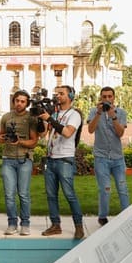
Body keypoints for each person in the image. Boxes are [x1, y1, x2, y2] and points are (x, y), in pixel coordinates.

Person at [37, 85, 85, 239]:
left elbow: (67, 132)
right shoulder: (55, 114)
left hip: (64, 159)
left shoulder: (74, 115)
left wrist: (50, 119)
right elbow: (43, 134)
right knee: (51, 195)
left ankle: (79, 226)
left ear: (70, 96)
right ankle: (55, 225)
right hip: (51, 158)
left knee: (69, 194)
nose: (58, 96)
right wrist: (40, 119)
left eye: (61, 93)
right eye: (57, 93)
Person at [0, 90, 38, 235]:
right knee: (9, 194)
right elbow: (0, 137)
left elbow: (34, 142)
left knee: (23, 194)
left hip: (24, 159)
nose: (19, 103)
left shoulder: (31, 118)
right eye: (17, 101)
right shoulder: (6, 117)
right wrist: (1, 139)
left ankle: (25, 224)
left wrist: (20, 142)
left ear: (27, 103)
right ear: (13, 101)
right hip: (8, 159)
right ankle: (12, 223)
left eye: (22, 101)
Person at [87, 86, 130, 226]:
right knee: (105, 189)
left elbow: (120, 133)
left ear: (114, 97)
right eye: (104, 96)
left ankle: (126, 216)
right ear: (101, 98)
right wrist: (99, 113)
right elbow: (90, 130)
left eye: (109, 96)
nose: (107, 99)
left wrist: (113, 116)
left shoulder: (121, 112)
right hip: (101, 157)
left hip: (117, 157)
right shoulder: (94, 111)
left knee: (122, 188)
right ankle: (102, 216)